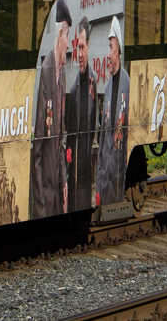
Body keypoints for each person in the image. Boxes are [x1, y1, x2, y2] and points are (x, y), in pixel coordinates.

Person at [30, 0, 71, 218]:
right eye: (67, 37)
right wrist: (40, 208)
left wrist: (63, 185)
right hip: (45, 200)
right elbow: (37, 151)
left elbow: (60, 139)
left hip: (56, 195)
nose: (69, 44)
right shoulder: (47, 72)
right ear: (59, 36)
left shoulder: (61, 74)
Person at [96, 18, 130, 206]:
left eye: (111, 47)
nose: (108, 54)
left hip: (118, 177)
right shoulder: (108, 87)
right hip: (106, 178)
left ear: (118, 50)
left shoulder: (127, 84)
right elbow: (102, 140)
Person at [66, 16, 98, 211]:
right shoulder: (74, 89)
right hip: (73, 174)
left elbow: (95, 124)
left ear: (88, 47)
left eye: (82, 47)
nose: (79, 53)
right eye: (77, 47)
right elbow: (69, 130)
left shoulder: (94, 82)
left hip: (86, 175)